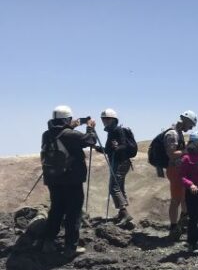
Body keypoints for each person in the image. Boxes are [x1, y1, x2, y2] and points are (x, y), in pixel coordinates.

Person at [40, 105, 98, 255]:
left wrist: (73, 125)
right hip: (72, 180)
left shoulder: (46, 135)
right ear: (67, 119)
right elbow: (91, 141)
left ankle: (48, 242)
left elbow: (61, 131)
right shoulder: (71, 135)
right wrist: (90, 127)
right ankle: (70, 247)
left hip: (53, 179)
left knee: (56, 210)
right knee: (73, 212)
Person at [95, 108, 136, 225]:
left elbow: (123, 146)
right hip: (120, 162)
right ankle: (121, 213)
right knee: (119, 187)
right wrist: (96, 147)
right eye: (103, 119)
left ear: (113, 120)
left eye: (107, 119)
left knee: (114, 187)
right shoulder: (112, 132)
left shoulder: (117, 131)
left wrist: (116, 148)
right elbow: (108, 150)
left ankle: (124, 213)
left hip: (120, 162)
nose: (104, 121)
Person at [164, 111, 197, 240]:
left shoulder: (178, 133)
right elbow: (171, 154)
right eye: (191, 125)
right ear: (186, 121)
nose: (191, 128)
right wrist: (187, 151)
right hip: (175, 170)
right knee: (176, 200)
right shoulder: (172, 134)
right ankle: (173, 227)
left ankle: (182, 223)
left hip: (180, 170)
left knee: (183, 198)